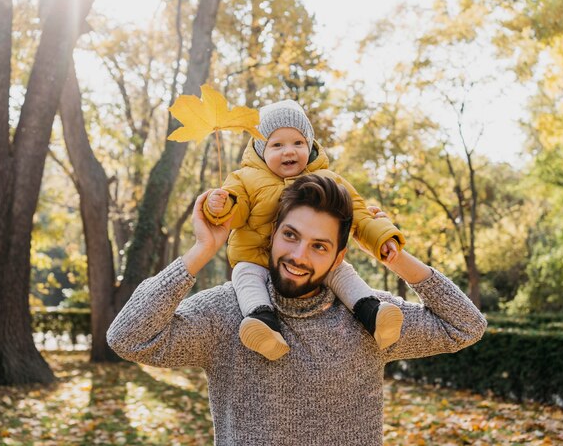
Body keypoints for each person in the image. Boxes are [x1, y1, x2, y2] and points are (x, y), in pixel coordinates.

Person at [107, 174, 487, 446]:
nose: (298, 256)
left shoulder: (372, 319)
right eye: (291, 236)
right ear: (273, 234)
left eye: (319, 246)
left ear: (339, 255)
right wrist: (202, 249)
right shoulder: (226, 313)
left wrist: (395, 256)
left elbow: (465, 325)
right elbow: (127, 337)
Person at [203, 99, 406, 360]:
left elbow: (358, 212)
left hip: (310, 259)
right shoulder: (244, 179)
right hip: (254, 257)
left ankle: (374, 314)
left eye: (298, 143)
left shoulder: (327, 179)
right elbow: (237, 211)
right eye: (277, 145)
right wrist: (220, 206)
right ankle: (263, 323)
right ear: (260, 148)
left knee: (340, 271)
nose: (289, 151)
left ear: (309, 145)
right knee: (244, 275)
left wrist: (383, 236)